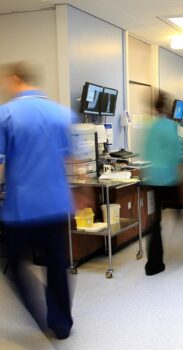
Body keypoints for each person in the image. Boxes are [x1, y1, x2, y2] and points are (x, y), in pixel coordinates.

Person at [0, 61, 77, 339]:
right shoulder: (62, 114)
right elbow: (71, 159)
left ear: (16, 79)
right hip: (56, 204)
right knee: (57, 264)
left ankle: (38, 314)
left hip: (22, 207)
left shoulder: (5, 114)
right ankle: (61, 324)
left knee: (14, 265)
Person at [143, 90, 183, 276]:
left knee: (154, 222)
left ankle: (154, 264)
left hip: (153, 178)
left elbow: (147, 152)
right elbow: (176, 152)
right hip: (169, 178)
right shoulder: (170, 126)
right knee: (180, 212)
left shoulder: (151, 127)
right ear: (167, 108)